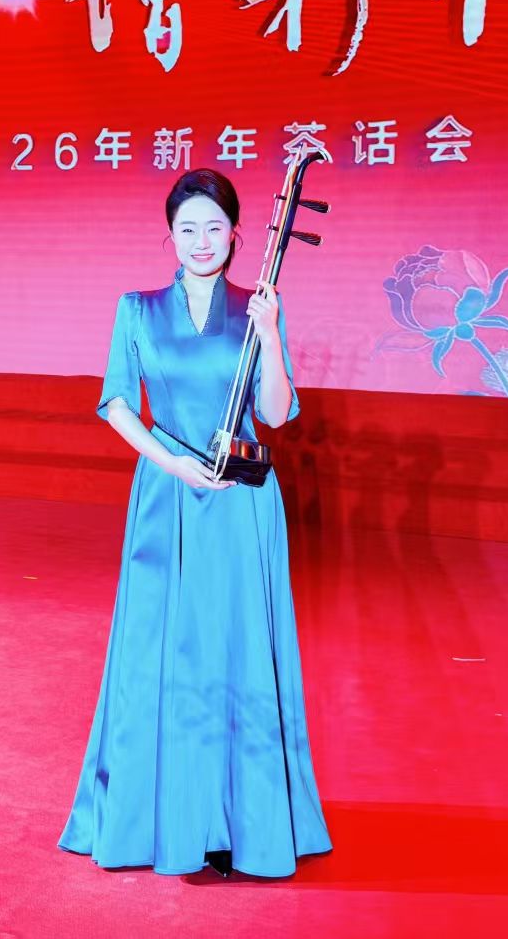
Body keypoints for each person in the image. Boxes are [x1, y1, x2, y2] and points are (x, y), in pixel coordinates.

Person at [58, 167, 332, 878]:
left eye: (215, 227)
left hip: (242, 503)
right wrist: (172, 463)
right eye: (188, 228)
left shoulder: (258, 306)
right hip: (167, 496)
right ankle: (159, 815)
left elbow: (275, 414)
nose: (201, 240)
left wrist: (269, 334)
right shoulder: (137, 309)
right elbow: (117, 403)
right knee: (159, 650)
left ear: (237, 235)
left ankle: (241, 821)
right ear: (169, 236)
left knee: (239, 648)